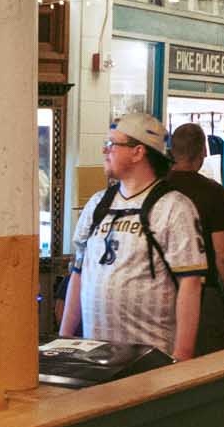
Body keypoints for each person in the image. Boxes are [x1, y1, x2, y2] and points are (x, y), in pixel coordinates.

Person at [59, 110, 207, 361]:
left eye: (112, 144)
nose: (105, 150)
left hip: (151, 356)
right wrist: (64, 339)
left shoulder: (175, 208)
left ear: (138, 152)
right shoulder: (97, 205)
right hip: (95, 356)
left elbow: (190, 284)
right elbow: (78, 273)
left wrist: (182, 355)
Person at [164, 122, 224, 355]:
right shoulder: (213, 192)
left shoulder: (157, 189)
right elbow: (223, 253)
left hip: (160, 293)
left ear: (172, 151)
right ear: (204, 151)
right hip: (203, 295)